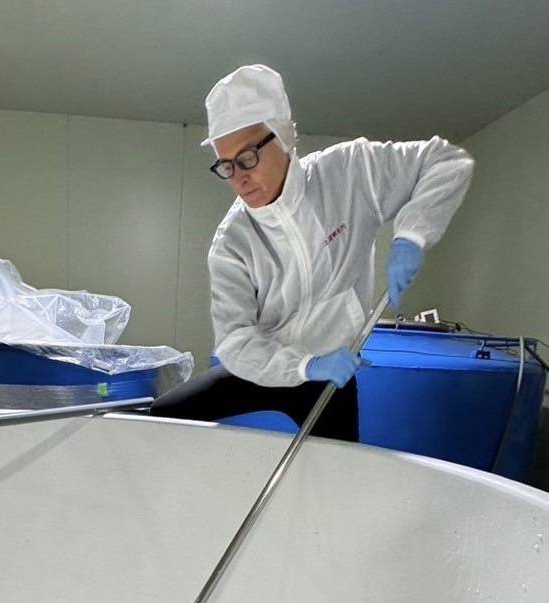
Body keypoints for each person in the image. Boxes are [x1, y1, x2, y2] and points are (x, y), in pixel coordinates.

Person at [153, 64, 474, 441]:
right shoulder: (232, 242)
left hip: (330, 375)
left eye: (247, 158)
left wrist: (412, 234)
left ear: (284, 135)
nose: (239, 178)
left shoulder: (350, 172)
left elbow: (446, 162)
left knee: (336, 466)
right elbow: (235, 342)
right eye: (226, 165)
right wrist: (305, 366)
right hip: (267, 366)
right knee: (162, 416)